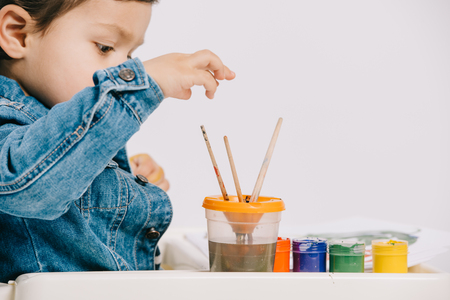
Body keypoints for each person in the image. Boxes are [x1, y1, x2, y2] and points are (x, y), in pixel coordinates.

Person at [0, 0, 235, 282]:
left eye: (131, 54)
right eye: (105, 47)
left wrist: (122, 182)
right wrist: (141, 83)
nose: (124, 67)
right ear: (17, 33)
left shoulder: (60, 121)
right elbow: (30, 185)